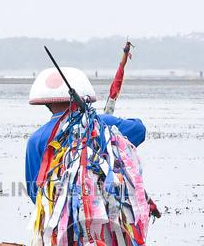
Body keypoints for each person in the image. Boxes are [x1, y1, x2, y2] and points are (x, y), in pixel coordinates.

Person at [24, 67, 146, 204]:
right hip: (106, 214)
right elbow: (139, 129)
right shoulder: (102, 123)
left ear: (46, 103)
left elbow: (34, 190)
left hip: (58, 219)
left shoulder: (35, 140)